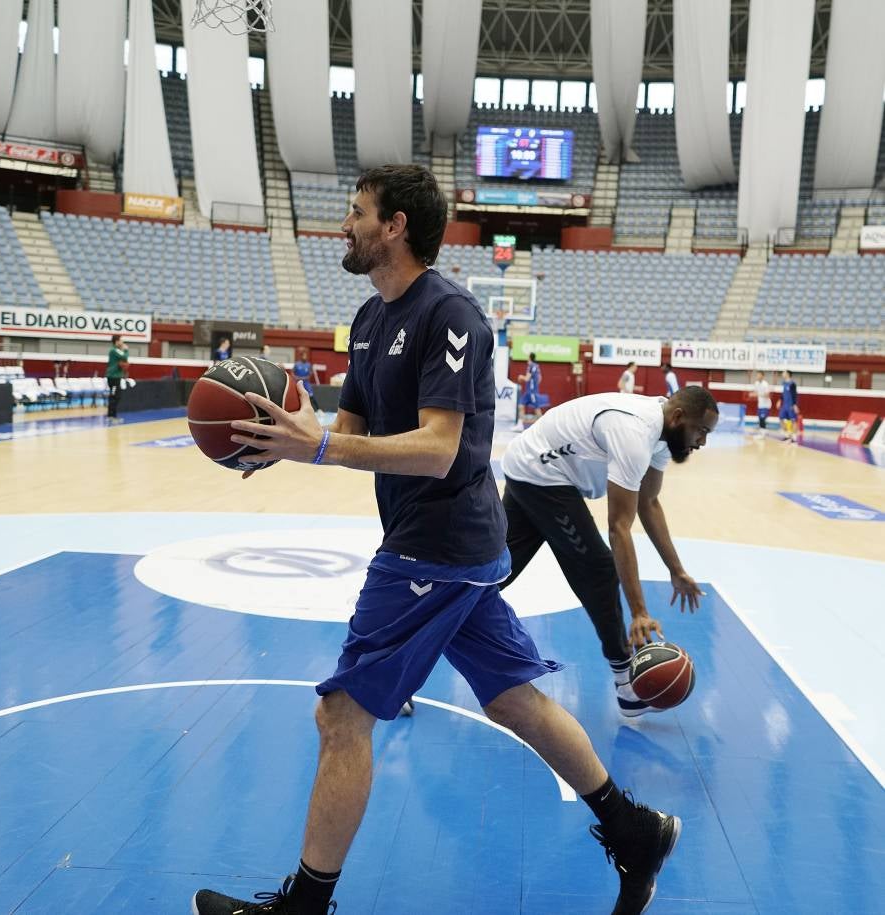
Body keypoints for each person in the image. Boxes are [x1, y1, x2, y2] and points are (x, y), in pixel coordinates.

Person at [192, 165, 681, 915]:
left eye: (357, 212)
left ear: (394, 227)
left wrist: (319, 448)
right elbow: (347, 431)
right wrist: (285, 438)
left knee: (342, 715)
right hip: (451, 548)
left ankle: (303, 908)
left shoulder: (451, 314)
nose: (344, 224)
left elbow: (439, 447)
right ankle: (636, 829)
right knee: (516, 700)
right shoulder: (366, 321)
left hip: (438, 547)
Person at [500, 387, 717, 717]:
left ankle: (409, 643)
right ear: (678, 418)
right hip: (541, 473)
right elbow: (619, 527)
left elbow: (649, 502)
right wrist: (640, 612)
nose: (702, 442)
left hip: (528, 463)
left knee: (493, 574)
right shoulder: (634, 433)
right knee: (599, 568)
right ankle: (626, 683)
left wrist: (676, 569)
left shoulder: (660, 432)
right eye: (701, 431)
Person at [511, 351, 542, 431]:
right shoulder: (536, 366)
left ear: (530, 357)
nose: (527, 357)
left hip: (531, 392)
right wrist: (534, 383)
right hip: (529, 391)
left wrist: (521, 377)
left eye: (528, 356)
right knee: (521, 406)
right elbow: (540, 379)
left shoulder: (531, 366)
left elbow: (527, 378)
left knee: (537, 409)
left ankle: (542, 427)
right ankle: (520, 425)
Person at [105, 334, 128, 424]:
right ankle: (111, 416)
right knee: (113, 396)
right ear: (117, 341)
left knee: (117, 396)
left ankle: (113, 416)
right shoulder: (114, 350)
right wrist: (126, 349)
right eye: (121, 340)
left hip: (117, 377)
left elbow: (124, 359)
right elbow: (125, 357)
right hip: (113, 377)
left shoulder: (117, 350)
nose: (122, 342)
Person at [293, 346, 321, 412]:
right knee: (298, 396)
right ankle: (299, 410)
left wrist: (305, 377)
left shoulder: (308, 365)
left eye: (306, 356)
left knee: (311, 396)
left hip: (306, 383)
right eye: (304, 356)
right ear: (301, 356)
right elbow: (293, 373)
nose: (305, 357)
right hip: (298, 383)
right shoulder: (297, 364)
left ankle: (318, 409)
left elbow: (310, 374)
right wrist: (296, 378)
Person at [777, 369, 799, 442]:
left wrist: (795, 405)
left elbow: (794, 395)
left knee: (793, 420)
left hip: (791, 405)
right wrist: (780, 400)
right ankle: (787, 435)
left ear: (788, 374)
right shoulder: (784, 383)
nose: (782, 374)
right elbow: (783, 393)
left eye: (784, 373)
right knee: (781, 418)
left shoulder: (792, 384)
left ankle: (794, 437)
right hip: (784, 405)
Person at [751, 370, 772, 437]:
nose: (758, 376)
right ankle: (763, 431)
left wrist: (758, 394)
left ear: (763, 376)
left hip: (766, 404)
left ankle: (763, 433)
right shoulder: (756, 383)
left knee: (762, 418)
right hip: (760, 404)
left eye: (759, 375)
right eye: (757, 375)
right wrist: (753, 394)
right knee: (760, 418)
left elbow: (767, 395)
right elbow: (755, 392)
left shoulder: (765, 384)